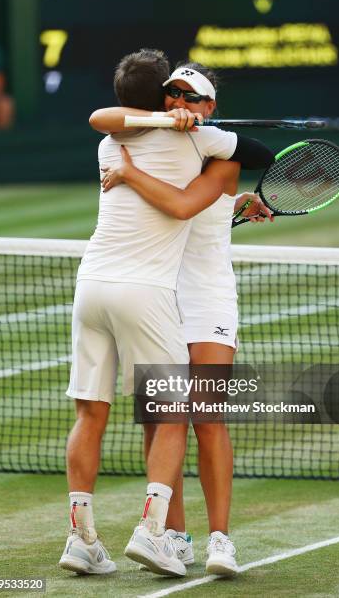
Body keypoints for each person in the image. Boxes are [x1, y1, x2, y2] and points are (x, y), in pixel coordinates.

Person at [59, 48, 272, 578]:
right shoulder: (154, 135)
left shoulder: (196, 146)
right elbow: (106, 122)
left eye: (191, 96)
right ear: (159, 98)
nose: (179, 100)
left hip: (197, 296)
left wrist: (232, 198)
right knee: (160, 420)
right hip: (157, 294)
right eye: (172, 93)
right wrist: (169, 124)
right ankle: (169, 536)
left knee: (206, 416)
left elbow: (201, 196)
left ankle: (219, 539)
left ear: (211, 104)